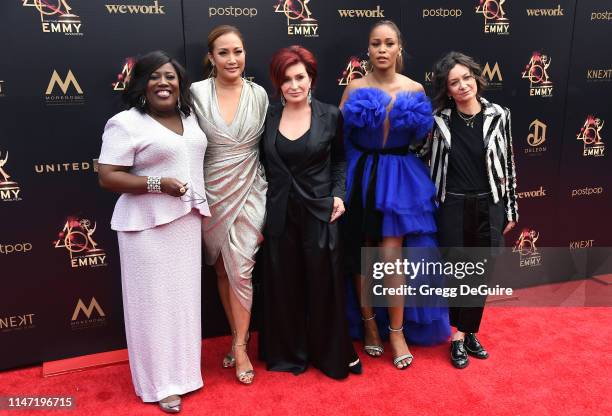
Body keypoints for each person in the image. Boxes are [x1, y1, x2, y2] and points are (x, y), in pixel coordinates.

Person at [98, 50, 209, 413]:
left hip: (186, 221)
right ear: (141, 85)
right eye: (154, 77)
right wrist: (157, 183)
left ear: (180, 83)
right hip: (144, 227)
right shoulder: (125, 123)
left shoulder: (189, 118)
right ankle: (160, 384)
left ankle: (185, 374)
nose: (164, 82)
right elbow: (108, 176)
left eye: (170, 76)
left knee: (183, 303)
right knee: (153, 307)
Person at [340, 20, 450, 370]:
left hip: (400, 177)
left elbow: (424, 140)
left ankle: (397, 330)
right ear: (368, 50)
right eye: (376, 43)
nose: (382, 49)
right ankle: (370, 324)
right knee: (364, 252)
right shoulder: (354, 86)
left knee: (391, 256)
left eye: (389, 43)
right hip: (362, 174)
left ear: (399, 48)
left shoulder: (415, 88)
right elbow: (339, 140)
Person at [259, 45, 361, 379]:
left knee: (325, 286)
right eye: (286, 79)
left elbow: (341, 160)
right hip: (279, 213)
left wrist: (339, 194)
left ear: (311, 78)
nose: (294, 85)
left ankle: (332, 354)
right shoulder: (268, 116)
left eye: (299, 76)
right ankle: (288, 353)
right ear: (278, 83)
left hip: (320, 211)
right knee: (283, 286)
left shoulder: (331, 115)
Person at [428, 51, 518, 368]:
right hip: (452, 203)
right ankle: (460, 335)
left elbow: (508, 162)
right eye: (455, 82)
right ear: (447, 89)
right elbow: (419, 152)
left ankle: (466, 333)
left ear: (476, 78)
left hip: (489, 203)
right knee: (457, 272)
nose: (463, 85)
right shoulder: (438, 119)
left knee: (481, 272)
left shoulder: (499, 114)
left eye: (467, 78)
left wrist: (511, 208)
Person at [190, 25, 268, 385]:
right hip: (211, 190)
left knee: (242, 269)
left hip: (252, 188)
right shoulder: (195, 94)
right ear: (211, 57)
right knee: (222, 269)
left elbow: (269, 148)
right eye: (223, 53)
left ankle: (238, 347)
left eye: (237, 51)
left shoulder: (260, 95)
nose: (232, 59)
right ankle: (240, 335)